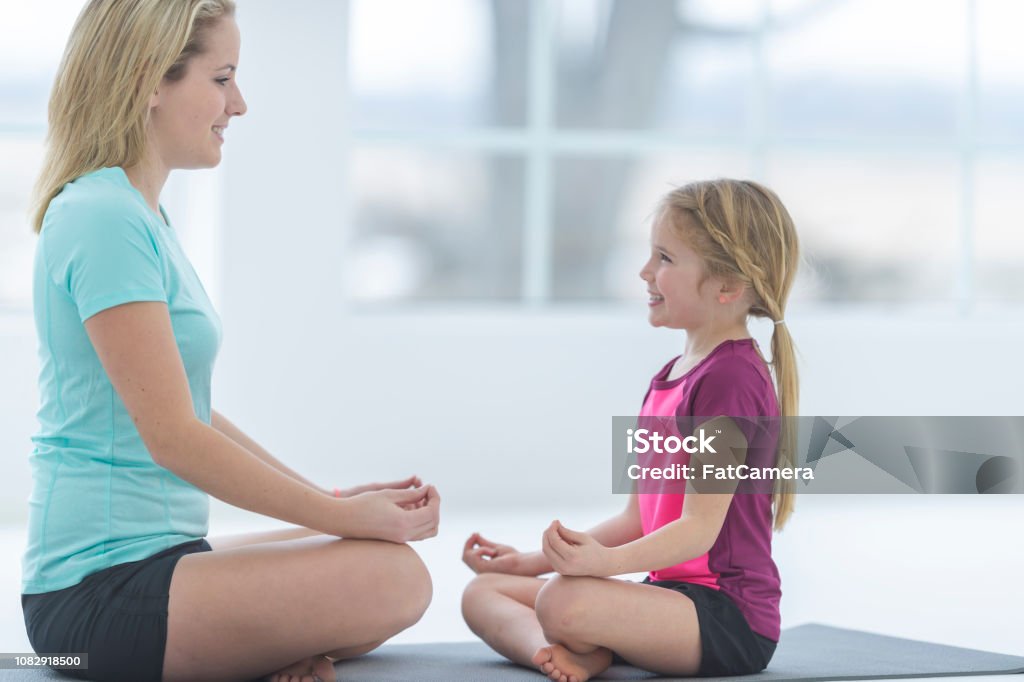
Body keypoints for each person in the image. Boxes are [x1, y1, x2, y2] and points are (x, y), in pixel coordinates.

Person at [21, 2, 439, 681]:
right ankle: (264, 642)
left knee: (351, 546)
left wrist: (336, 507)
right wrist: (347, 516)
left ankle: (263, 642)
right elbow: (175, 437)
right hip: (91, 600)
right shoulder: (101, 217)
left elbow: (184, 408)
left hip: (161, 559)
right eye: (222, 79)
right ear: (148, 81)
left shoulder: (138, 214)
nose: (237, 104)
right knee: (395, 578)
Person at [461, 179, 800, 681]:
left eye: (664, 258)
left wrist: (601, 564)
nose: (645, 272)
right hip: (666, 597)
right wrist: (529, 562)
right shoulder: (666, 378)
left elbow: (698, 531)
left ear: (727, 286)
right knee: (484, 592)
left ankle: (587, 642)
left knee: (563, 600)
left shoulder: (730, 380)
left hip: (727, 618)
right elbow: (639, 519)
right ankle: (562, 653)